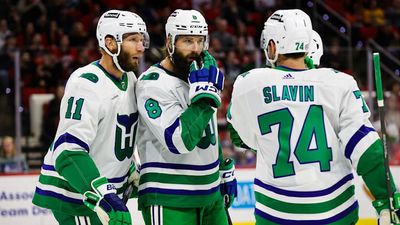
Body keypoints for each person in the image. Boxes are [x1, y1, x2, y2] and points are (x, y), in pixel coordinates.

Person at [227, 9, 399, 225]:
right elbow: (365, 149)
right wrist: (386, 198)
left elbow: (240, 138)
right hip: (335, 212)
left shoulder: (249, 83)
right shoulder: (338, 83)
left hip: (276, 213)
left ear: (272, 45)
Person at [32, 9, 149, 225]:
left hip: (101, 190)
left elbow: (113, 134)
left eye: (142, 40)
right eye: (133, 39)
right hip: (77, 194)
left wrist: (130, 168)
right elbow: (68, 150)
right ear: (110, 43)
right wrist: (103, 194)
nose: (141, 47)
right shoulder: (86, 83)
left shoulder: (131, 79)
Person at [135, 9, 237, 225]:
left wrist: (221, 166)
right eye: (188, 41)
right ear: (170, 42)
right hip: (170, 197)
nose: (196, 49)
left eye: (200, 41)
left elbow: (206, 130)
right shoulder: (151, 83)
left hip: (210, 194)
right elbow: (179, 140)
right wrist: (205, 97)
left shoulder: (198, 75)